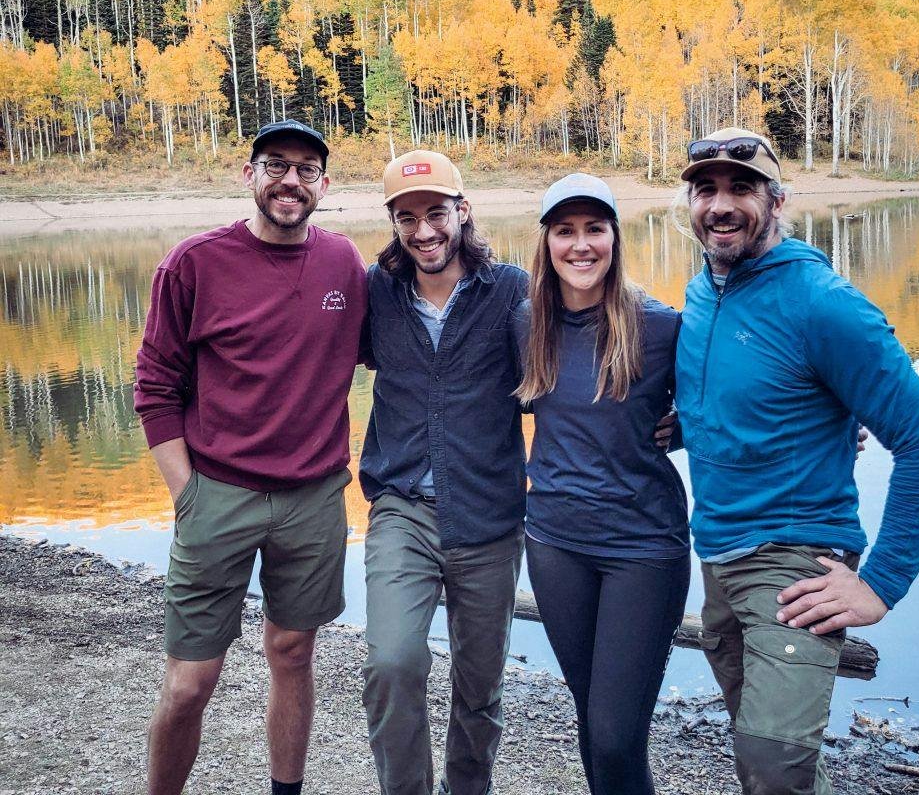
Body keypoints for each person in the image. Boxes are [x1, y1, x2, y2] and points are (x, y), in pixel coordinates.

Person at [673, 127, 919, 795]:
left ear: (778, 201)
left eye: (742, 188)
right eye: (706, 188)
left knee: (776, 765)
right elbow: (746, 401)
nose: (721, 205)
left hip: (797, 567)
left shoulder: (824, 306)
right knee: (760, 753)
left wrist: (882, 584)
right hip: (718, 560)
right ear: (686, 200)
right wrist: (676, 427)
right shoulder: (703, 294)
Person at [134, 119, 367, 795]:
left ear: (324, 185)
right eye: (275, 165)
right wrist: (189, 493)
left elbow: (398, 344)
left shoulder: (343, 264)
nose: (290, 180)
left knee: (293, 652)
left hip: (315, 497)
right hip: (218, 493)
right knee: (189, 682)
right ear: (249, 175)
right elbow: (155, 388)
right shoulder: (194, 263)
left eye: (305, 169)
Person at [514, 174, 690, 795]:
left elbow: (736, 398)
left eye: (595, 229)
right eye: (565, 231)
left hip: (644, 548)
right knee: (592, 721)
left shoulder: (662, 327)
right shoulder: (526, 325)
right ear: (547, 243)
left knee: (617, 734)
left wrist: (835, 423)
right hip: (556, 543)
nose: (580, 245)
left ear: (616, 238)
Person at [359, 149, 528, 795]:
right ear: (394, 222)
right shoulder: (376, 292)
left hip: (487, 515)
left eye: (436, 212)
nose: (424, 230)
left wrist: (677, 409)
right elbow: (305, 350)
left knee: (479, 688)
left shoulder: (510, 289)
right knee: (392, 662)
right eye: (407, 217)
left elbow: (580, 349)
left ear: (463, 211)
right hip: (402, 509)